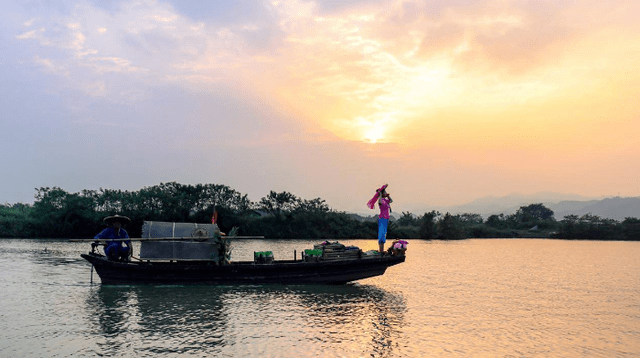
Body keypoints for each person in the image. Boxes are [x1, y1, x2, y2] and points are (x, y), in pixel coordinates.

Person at [367, 184, 393, 255]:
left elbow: (391, 200)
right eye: (385, 192)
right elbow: (380, 202)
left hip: (386, 219)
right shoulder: (381, 200)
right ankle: (380, 250)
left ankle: (382, 250)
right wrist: (380, 193)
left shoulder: (385, 200)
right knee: (381, 234)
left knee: (384, 234)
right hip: (382, 219)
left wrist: (388, 196)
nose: (386, 193)